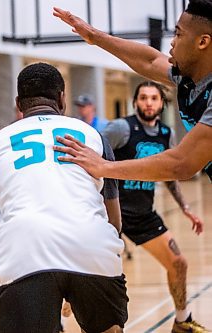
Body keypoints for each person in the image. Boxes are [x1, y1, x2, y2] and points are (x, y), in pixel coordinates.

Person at [0, 62, 128, 333]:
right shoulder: (94, 137)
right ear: (61, 99)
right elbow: (114, 224)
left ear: (18, 104)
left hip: (24, 255)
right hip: (92, 250)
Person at [52, 0, 212, 181]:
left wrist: (103, 166)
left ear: (203, 42)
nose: (172, 43)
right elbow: (150, 61)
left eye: (178, 34)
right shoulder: (188, 77)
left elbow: (181, 164)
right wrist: (94, 36)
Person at [103, 81, 207, 332]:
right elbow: (95, 156)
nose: (149, 102)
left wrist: (184, 207)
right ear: (135, 102)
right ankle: (61, 319)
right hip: (110, 213)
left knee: (178, 263)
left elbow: (170, 173)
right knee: (89, 273)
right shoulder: (121, 128)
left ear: (162, 103)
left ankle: (182, 320)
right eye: (143, 98)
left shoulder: (165, 134)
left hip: (143, 215)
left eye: (154, 98)